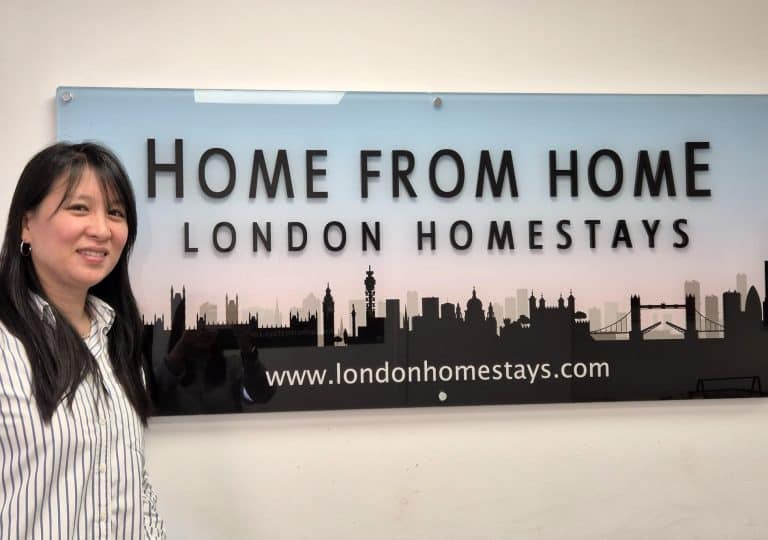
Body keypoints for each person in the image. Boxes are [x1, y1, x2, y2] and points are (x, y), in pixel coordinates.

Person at [0, 143, 166, 538]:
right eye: (79, 208)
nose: (102, 229)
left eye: (116, 213)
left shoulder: (118, 342)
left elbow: (135, 486)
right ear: (26, 224)